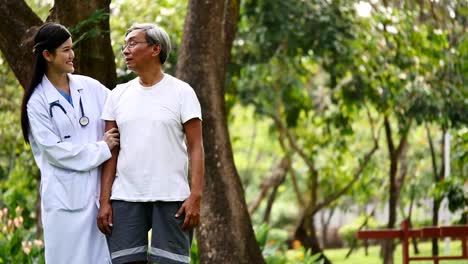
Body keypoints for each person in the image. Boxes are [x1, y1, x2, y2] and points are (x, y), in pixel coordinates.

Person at [97, 23, 205, 264]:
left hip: (173, 198)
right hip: (125, 198)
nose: (126, 50)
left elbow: (196, 146)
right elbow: (111, 152)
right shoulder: (117, 95)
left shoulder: (182, 92)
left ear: (156, 49)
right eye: (125, 44)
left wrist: (195, 195)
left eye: (133, 43)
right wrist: (104, 201)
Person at [20, 22, 119, 264]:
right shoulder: (37, 102)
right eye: (65, 49)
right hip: (65, 203)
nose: (72, 54)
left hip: (99, 199)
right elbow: (56, 152)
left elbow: (120, 105)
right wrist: (102, 148)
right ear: (47, 55)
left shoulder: (90, 87)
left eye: (71, 48)